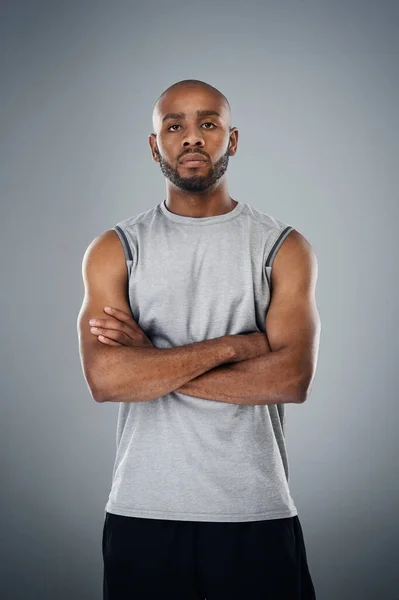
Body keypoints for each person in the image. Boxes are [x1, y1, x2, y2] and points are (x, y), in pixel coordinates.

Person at [77, 78, 321, 599]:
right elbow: (106, 378)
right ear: (155, 145)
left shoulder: (282, 247)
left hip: (255, 511)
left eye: (208, 124)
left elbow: (291, 378)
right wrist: (238, 346)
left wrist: (151, 365)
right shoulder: (114, 249)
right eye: (175, 126)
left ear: (231, 139)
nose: (192, 137)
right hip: (142, 511)